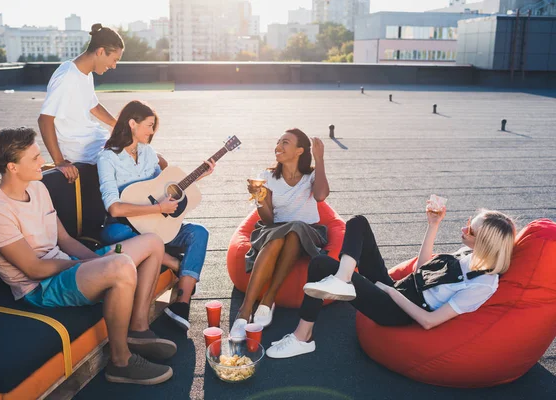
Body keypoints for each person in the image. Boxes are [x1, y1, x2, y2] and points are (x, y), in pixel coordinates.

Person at [0, 127, 176, 385]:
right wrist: (91, 264)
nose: (42, 162)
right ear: (12, 167)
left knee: (153, 243)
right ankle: (120, 362)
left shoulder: (37, 188)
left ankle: (137, 330)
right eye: (35, 158)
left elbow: (66, 239)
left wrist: (93, 263)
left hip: (68, 267)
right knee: (121, 266)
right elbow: (34, 269)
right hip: (41, 288)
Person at [266, 204, 516, 359]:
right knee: (358, 222)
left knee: (321, 264)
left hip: (396, 310)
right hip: (398, 289)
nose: (464, 230)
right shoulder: (469, 254)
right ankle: (342, 279)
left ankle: (302, 338)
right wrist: (433, 225)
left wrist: (388, 290)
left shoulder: (482, 285)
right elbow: (422, 270)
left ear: (485, 242)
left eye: (470, 230)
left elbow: (429, 322)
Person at [97, 100, 215, 332]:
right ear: (132, 123)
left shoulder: (149, 153)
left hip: (154, 224)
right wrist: (158, 210)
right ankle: (179, 267)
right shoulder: (107, 158)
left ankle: (181, 305)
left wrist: (199, 176)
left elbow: (163, 189)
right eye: (149, 126)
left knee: (198, 233)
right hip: (124, 226)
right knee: (118, 234)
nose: (152, 132)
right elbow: (114, 209)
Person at [230, 128, 330, 339]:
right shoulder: (267, 176)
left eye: (285, 142)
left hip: (308, 232)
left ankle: (268, 298)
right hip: (275, 230)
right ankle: (245, 311)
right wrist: (258, 198)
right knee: (278, 239)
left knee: (296, 230)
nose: (278, 146)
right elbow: (267, 219)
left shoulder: (310, 176)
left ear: (300, 150)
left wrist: (319, 159)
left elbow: (321, 196)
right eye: (278, 142)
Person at [38, 23, 124, 183]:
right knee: (137, 164)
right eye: (114, 60)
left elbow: (94, 106)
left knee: (151, 158)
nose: (114, 66)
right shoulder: (66, 77)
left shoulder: (85, 73)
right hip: (81, 149)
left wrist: (119, 126)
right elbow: (44, 120)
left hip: (95, 139)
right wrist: (59, 162)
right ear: (100, 51)